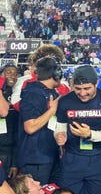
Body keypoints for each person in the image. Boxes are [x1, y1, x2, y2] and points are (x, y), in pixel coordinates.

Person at [54, 65, 101, 194]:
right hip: (72, 160)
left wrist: (90, 134)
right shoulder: (65, 101)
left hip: (100, 159)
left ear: (96, 83)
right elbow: (59, 127)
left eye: (87, 88)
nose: (82, 93)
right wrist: (59, 136)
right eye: (78, 89)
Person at [17, 56, 65, 185]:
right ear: (55, 73)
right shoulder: (33, 93)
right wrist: (51, 111)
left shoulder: (50, 93)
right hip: (35, 159)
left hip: (49, 155)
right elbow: (30, 127)